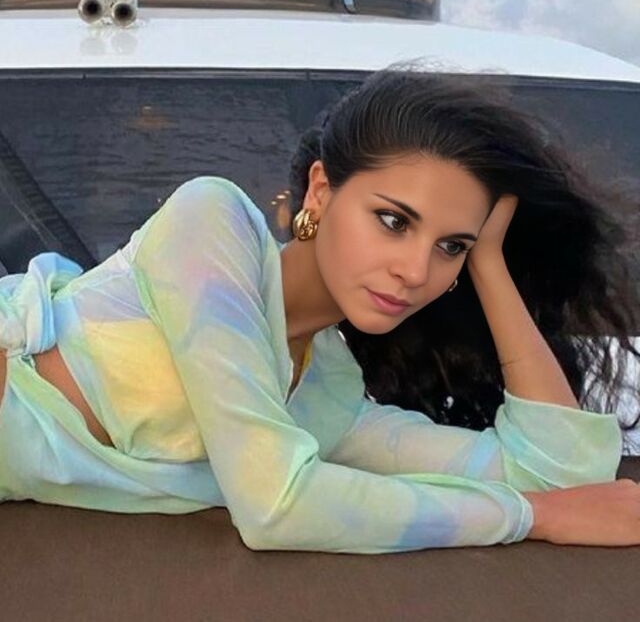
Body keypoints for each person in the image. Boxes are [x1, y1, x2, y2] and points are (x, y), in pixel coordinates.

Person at [1, 68, 639, 552]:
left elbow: (563, 476)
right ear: (322, 190)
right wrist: (531, 519)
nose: (416, 271)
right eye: (393, 221)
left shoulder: (328, 397)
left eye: (450, 246)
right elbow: (275, 506)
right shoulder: (212, 222)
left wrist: (489, 264)